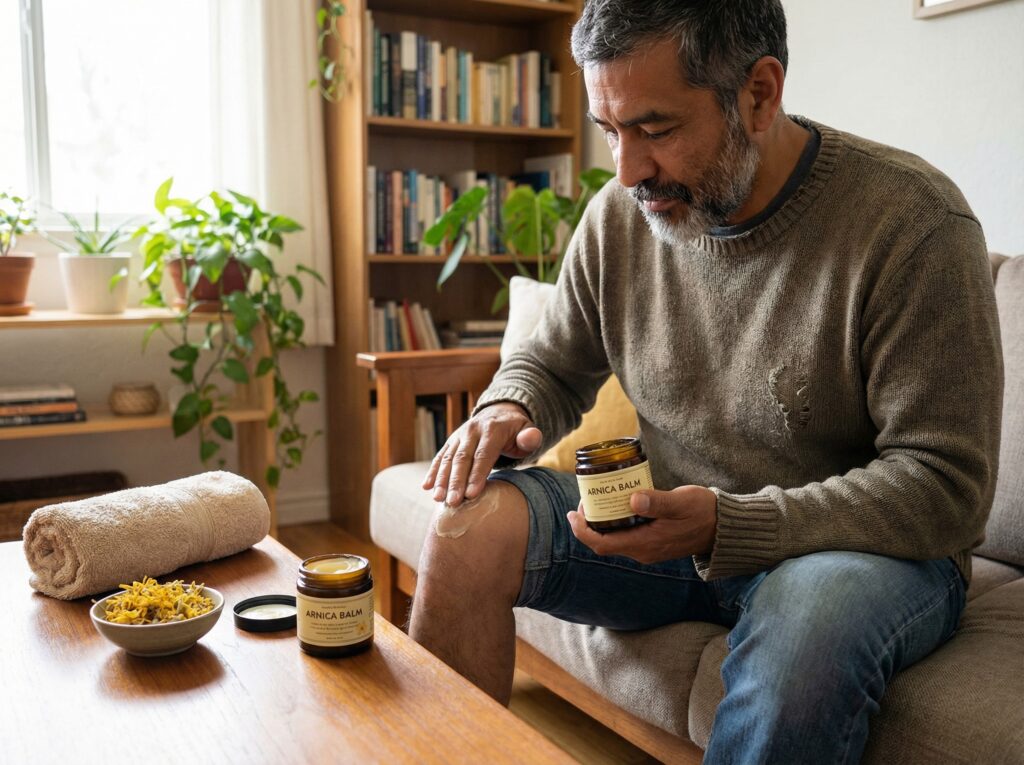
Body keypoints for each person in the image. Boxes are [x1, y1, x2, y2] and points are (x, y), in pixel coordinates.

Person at [411, 1, 1003, 762]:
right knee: (465, 529)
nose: (627, 171)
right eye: (609, 131)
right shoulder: (619, 217)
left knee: (809, 624)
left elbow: (946, 486)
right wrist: (508, 404)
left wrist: (730, 525)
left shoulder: (913, 224)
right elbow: (552, 361)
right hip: (669, 530)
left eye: (655, 129)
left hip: (857, 555)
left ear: (759, 94)